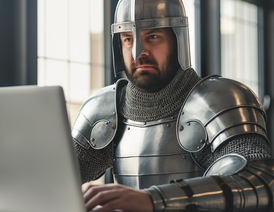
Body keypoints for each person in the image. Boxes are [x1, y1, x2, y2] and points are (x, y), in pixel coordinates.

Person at [71, 0, 274, 211]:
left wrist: (154, 200)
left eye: (153, 37)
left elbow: (261, 183)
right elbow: (52, 178)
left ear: (178, 39)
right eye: (128, 39)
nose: (139, 52)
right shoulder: (102, 109)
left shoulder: (221, 100)